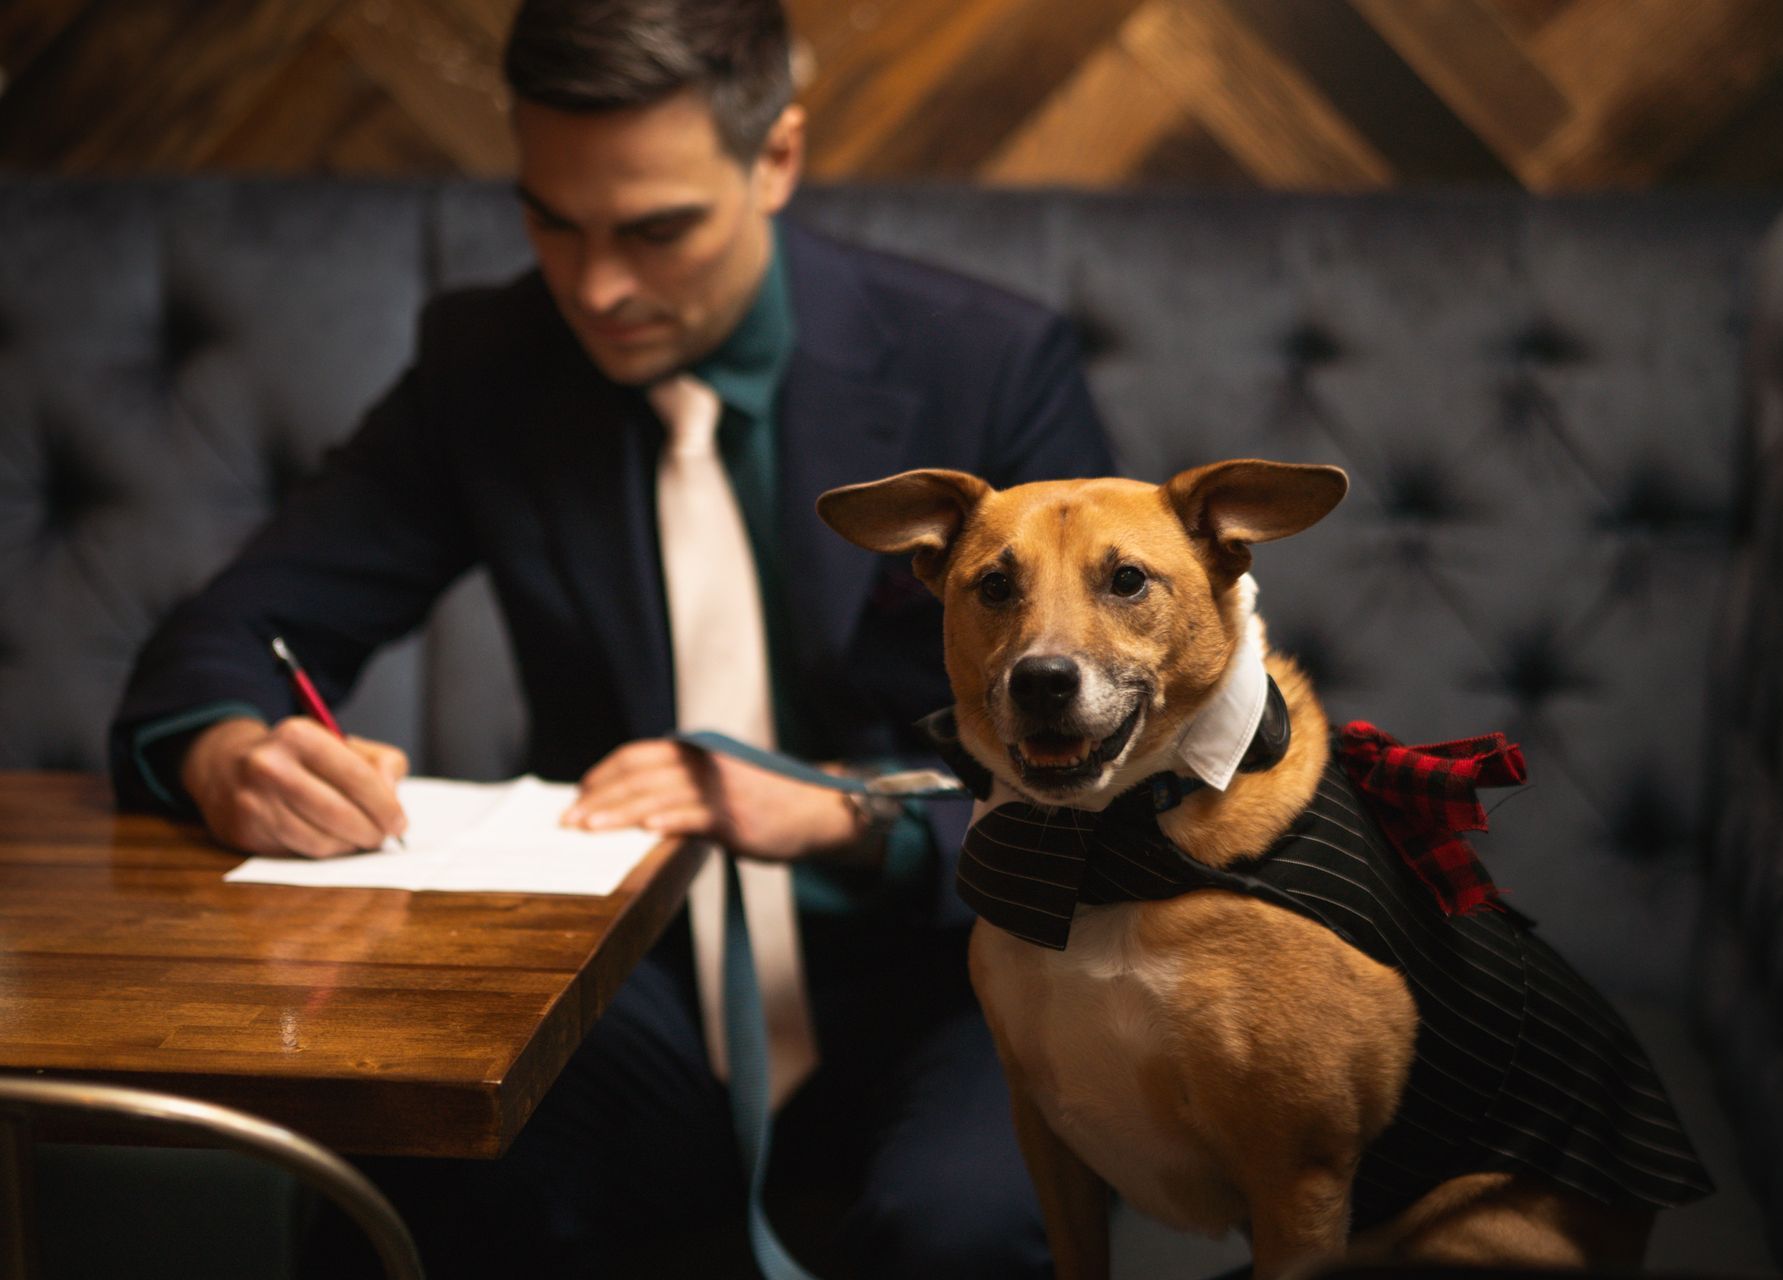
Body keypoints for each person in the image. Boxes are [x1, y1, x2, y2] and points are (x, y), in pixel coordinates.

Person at [106, 0, 1113, 1274]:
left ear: (777, 158)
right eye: (551, 221)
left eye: (657, 228)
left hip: (954, 966)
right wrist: (228, 756)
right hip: (618, 980)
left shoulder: (986, 365)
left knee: (963, 1226)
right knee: (409, 1175)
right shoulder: (488, 359)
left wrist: (850, 816)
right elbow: (235, 630)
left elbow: (1130, 766)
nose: (597, 287)